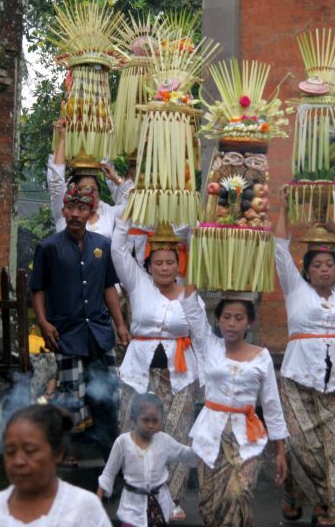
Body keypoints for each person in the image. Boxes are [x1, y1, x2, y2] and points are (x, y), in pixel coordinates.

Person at [274, 186, 335, 526]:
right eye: (318, 265)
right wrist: (284, 211)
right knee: (302, 447)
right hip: (298, 378)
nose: (326, 269)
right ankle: (293, 495)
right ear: (308, 269)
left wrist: (333, 229)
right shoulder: (295, 290)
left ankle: (326, 507)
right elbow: (280, 250)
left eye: (331, 264)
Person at [30, 184, 131, 460]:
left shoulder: (102, 245)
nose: (75, 214)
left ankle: (111, 457)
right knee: (71, 396)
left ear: (91, 211)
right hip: (67, 333)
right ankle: (68, 453)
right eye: (70, 208)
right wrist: (43, 322)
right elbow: (37, 288)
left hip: (99, 331)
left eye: (81, 209)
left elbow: (109, 287)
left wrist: (120, 324)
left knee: (107, 394)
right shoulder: (48, 247)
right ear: (63, 210)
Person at [111, 217, 202, 521]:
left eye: (170, 262)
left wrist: (187, 217)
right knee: (133, 433)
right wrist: (128, 210)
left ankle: (171, 499)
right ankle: (138, 499)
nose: (164, 268)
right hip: (140, 372)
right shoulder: (137, 283)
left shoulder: (190, 292)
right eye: (159, 262)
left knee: (176, 435)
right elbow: (118, 249)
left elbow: (200, 332)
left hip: (180, 375)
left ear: (179, 265)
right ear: (149, 265)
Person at [180, 285, 288, 527]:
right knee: (210, 504)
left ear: (249, 323)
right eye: (226, 317)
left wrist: (280, 451)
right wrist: (196, 270)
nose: (231, 323)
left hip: (246, 437)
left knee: (237, 494)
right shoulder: (209, 345)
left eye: (238, 318)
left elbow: (272, 405)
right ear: (217, 320)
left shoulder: (262, 356)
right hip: (210, 434)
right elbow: (190, 307)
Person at [0, 403, 111, 527]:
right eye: (10, 452)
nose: (18, 461)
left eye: (30, 451)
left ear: (58, 453)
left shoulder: (82, 507)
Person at [97, 393, 196, 527]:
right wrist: (97, 502)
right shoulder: (122, 442)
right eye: (145, 420)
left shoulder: (164, 440)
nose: (151, 425)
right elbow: (108, 474)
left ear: (161, 419)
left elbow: (187, 455)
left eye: (155, 420)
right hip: (131, 508)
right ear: (134, 419)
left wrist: (206, 446)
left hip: (159, 507)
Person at [48, 119, 132, 237]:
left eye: (92, 189)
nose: (88, 193)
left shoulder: (108, 212)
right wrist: (61, 139)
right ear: (72, 191)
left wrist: (116, 180)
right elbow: (57, 181)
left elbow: (134, 206)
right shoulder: (65, 211)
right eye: (82, 189)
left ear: (99, 193)